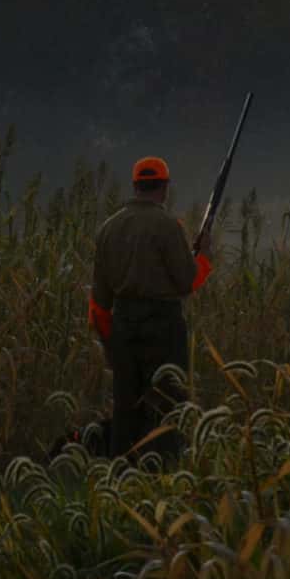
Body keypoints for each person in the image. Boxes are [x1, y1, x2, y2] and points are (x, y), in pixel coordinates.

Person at [86, 156, 213, 464]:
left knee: (125, 411)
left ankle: (120, 482)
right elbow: (186, 282)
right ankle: (163, 478)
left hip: (123, 328)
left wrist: (110, 345)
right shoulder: (168, 225)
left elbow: (99, 304)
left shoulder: (108, 230)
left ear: (135, 186)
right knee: (167, 406)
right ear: (164, 188)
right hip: (163, 327)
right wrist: (204, 258)